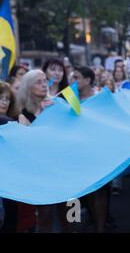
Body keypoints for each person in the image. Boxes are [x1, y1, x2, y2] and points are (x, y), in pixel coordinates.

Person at [17, 70, 71, 233]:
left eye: (44, 81)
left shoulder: (58, 105)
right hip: (42, 172)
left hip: (67, 170)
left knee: (71, 214)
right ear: (28, 87)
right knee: (45, 216)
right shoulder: (23, 114)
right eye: (38, 82)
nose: (43, 85)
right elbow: (24, 144)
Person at [71, 66, 110, 233]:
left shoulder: (100, 97)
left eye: (77, 78)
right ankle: (91, 223)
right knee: (85, 192)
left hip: (98, 151)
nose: (74, 81)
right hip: (78, 153)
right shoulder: (71, 98)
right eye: (72, 77)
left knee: (99, 190)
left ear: (88, 80)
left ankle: (100, 227)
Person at [0, 82, 19, 232]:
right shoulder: (10, 123)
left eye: (7, 98)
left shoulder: (12, 122)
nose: (4, 102)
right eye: (0, 98)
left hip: (10, 183)